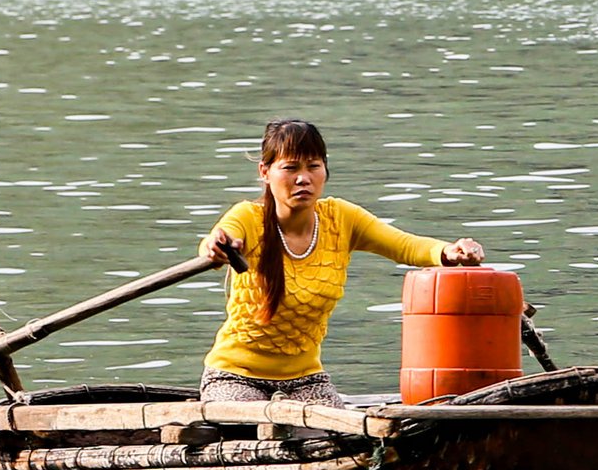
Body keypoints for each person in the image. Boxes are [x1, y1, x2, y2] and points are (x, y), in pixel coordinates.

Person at [197, 118, 486, 407]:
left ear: (325, 169)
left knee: (337, 439)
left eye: (313, 166)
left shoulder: (341, 218)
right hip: (234, 376)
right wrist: (216, 247)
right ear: (265, 172)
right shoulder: (248, 217)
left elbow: (405, 245)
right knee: (249, 429)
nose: (303, 178)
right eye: (290, 168)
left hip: (306, 378)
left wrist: (449, 252)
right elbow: (218, 239)